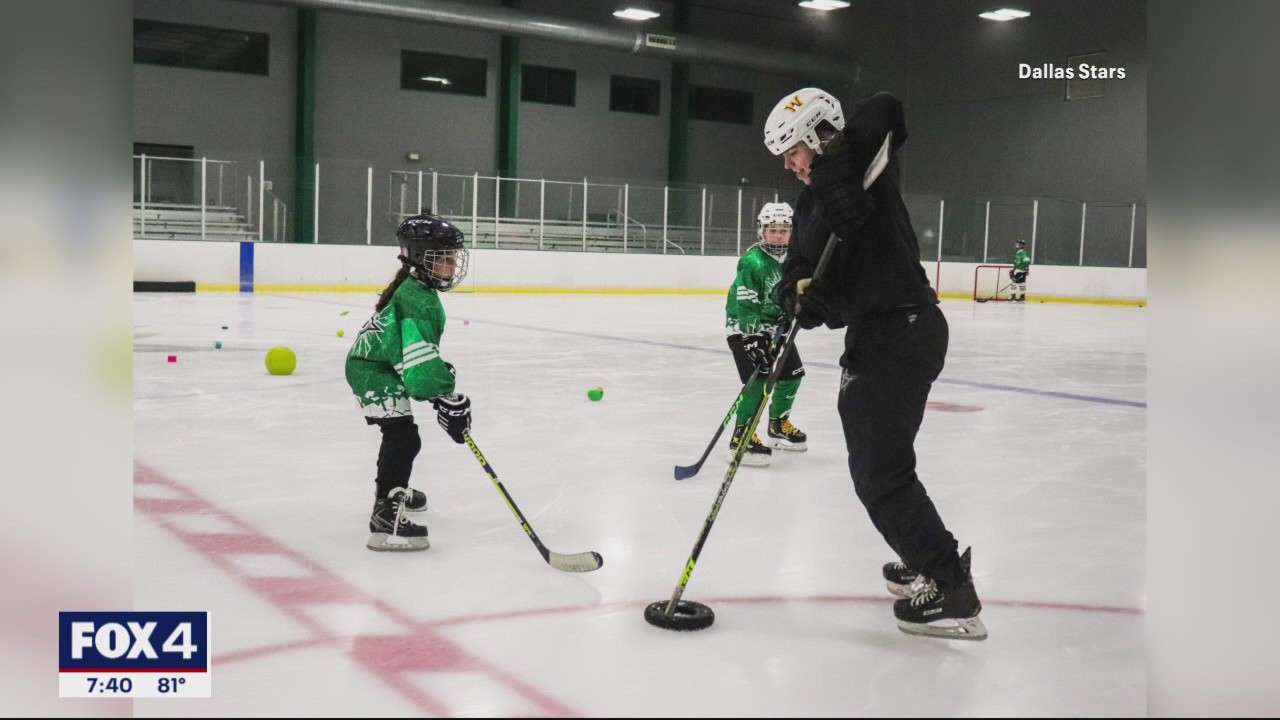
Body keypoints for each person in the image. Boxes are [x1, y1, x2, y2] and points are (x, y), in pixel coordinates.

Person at [763, 88, 986, 640]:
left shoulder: (864, 167)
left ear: (821, 135)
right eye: (786, 157)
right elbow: (798, 276)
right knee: (879, 463)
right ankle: (922, 551)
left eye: (797, 150)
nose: (793, 165)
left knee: (879, 474)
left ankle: (949, 583)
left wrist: (838, 168)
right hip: (873, 335)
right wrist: (801, 299)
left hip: (904, 328)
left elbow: (887, 105)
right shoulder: (809, 207)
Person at [344, 213, 473, 552]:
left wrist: (442, 392)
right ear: (418, 258)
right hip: (372, 371)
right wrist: (446, 396)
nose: (452, 265)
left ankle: (393, 491)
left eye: (453, 257)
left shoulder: (417, 291)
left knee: (402, 435)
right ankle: (386, 514)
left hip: (378, 364)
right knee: (403, 437)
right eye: (442, 258)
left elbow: (417, 357)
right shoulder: (418, 299)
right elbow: (419, 370)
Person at [724, 202, 808, 467]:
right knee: (758, 380)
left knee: (792, 375)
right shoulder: (753, 261)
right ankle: (742, 437)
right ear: (762, 231)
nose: (779, 235)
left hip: (777, 329)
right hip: (744, 329)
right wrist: (751, 337)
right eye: (773, 230)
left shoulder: (795, 259)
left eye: (784, 230)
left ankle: (778, 424)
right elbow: (745, 301)